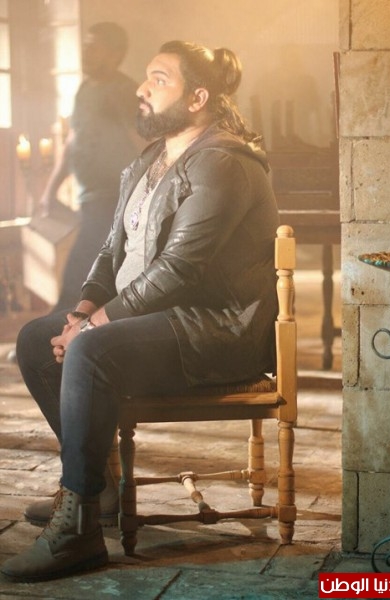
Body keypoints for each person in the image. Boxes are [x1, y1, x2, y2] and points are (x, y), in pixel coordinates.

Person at [0, 40, 279, 582]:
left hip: (217, 329)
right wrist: (82, 311)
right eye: (146, 77)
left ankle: (78, 530)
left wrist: (90, 329)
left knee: (91, 350)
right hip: (162, 320)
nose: (141, 88)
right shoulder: (151, 159)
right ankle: (98, 491)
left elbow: (179, 271)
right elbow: (111, 251)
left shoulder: (223, 162)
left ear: (198, 98)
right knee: (36, 339)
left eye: (159, 79)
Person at [41, 21, 142, 312]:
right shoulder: (85, 89)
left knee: (81, 269)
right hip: (89, 197)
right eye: (85, 46)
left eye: (94, 47)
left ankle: (58, 327)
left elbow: (142, 142)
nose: (86, 52)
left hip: (113, 197)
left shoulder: (124, 91)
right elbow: (73, 140)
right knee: (90, 271)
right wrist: (50, 190)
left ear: (115, 54)